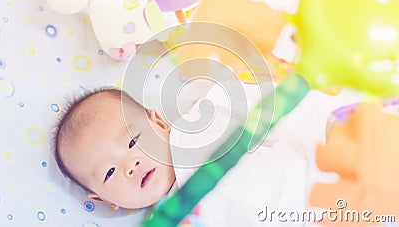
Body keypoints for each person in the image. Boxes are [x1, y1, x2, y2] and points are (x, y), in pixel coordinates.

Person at [53, 84, 358, 226]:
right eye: (109, 173)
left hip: (325, 175)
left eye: (134, 141)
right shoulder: (168, 220)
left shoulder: (207, 120)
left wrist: (326, 120)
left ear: (159, 122)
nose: (130, 165)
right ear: (107, 201)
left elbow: (276, 112)